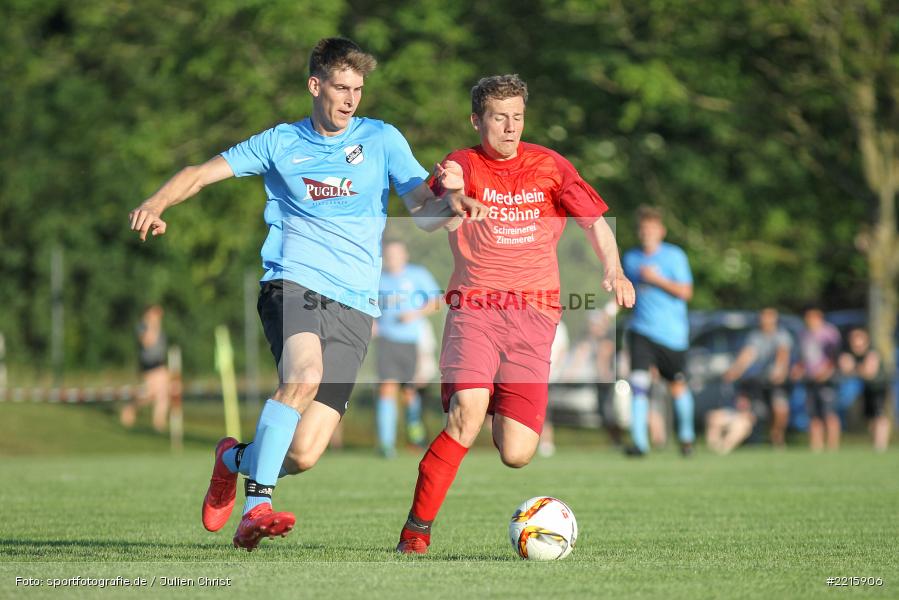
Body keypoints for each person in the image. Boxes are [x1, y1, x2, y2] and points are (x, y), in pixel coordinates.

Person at [128, 37, 486, 552]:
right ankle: (256, 510)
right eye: (341, 87)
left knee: (303, 453)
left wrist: (454, 203)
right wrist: (157, 200)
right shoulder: (279, 142)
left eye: (358, 89)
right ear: (315, 85)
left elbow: (424, 214)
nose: (350, 99)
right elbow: (201, 174)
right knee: (303, 376)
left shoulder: (382, 139)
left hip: (357, 305)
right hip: (292, 281)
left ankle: (232, 460)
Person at [394, 74, 635, 554]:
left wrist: (616, 269)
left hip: (535, 317)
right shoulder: (460, 164)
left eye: (517, 117)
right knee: (466, 415)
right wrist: (452, 199)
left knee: (518, 453)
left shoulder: (549, 165)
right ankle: (415, 534)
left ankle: (488, 402)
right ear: (477, 119)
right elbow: (420, 218)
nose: (510, 127)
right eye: (499, 117)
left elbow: (593, 221)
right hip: (475, 308)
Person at [622, 205, 695, 457]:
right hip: (641, 331)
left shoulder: (675, 256)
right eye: (643, 229)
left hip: (672, 335)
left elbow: (686, 293)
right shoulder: (631, 258)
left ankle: (686, 438)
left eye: (651, 229)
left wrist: (656, 280)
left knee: (677, 387)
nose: (647, 234)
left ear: (661, 231)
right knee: (639, 384)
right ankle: (639, 443)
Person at [375, 240, 441, 457]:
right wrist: (372, 323)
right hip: (386, 341)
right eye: (388, 254)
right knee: (387, 388)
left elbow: (437, 300)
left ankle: (416, 437)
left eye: (396, 254)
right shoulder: (378, 277)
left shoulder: (417, 275)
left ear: (404, 255)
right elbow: (367, 304)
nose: (392, 258)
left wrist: (414, 314)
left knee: (410, 392)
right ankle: (386, 444)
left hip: (412, 342)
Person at [722, 308, 792, 447]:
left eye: (768, 317)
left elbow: (782, 353)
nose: (765, 320)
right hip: (759, 381)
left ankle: (777, 435)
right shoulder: (755, 336)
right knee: (757, 412)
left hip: (777, 380)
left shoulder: (782, 335)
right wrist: (735, 370)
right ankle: (754, 440)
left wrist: (779, 369)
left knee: (780, 409)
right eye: (763, 317)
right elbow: (748, 354)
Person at [792, 306, 841, 451]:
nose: (809, 321)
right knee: (813, 413)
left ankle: (833, 446)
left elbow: (835, 355)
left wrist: (826, 371)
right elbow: (802, 357)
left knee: (829, 412)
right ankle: (816, 446)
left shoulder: (829, 333)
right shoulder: (804, 334)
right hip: (810, 378)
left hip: (827, 379)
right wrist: (798, 369)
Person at [838, 328, 890, 452]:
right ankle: (875, 444)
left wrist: (854, 368)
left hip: (879, 387)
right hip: (866, 388)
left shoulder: (872, 353)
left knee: (880, 415)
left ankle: (881, 446)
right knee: (870, 419)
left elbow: (869, 373)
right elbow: (845, 370)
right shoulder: (849, 353)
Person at [121, 304, 170, 433]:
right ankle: (130, 409)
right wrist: (152, 325)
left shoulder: (158, 327)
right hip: (149, 367)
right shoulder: (142, 327)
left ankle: (159, 423)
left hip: (160, 365)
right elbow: (148, 342)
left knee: (162, 395)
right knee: (148, 395)